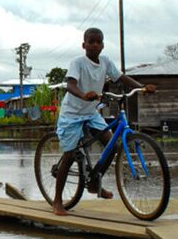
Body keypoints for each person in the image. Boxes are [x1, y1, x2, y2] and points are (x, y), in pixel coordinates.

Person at [52, 27, 156, 216]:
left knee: (113, 146)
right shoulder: (78, 63)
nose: (94, 45)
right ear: (84, 45)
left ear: (103, 45)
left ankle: (93, 184)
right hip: (72, 114)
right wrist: (83, 95)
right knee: (69, 155)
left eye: (98, 42)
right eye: (90, 41)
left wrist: (141, 88)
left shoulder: (106, 62)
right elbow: (70, 84)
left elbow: (121, 77)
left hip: (91, 112)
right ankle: (57, 201)